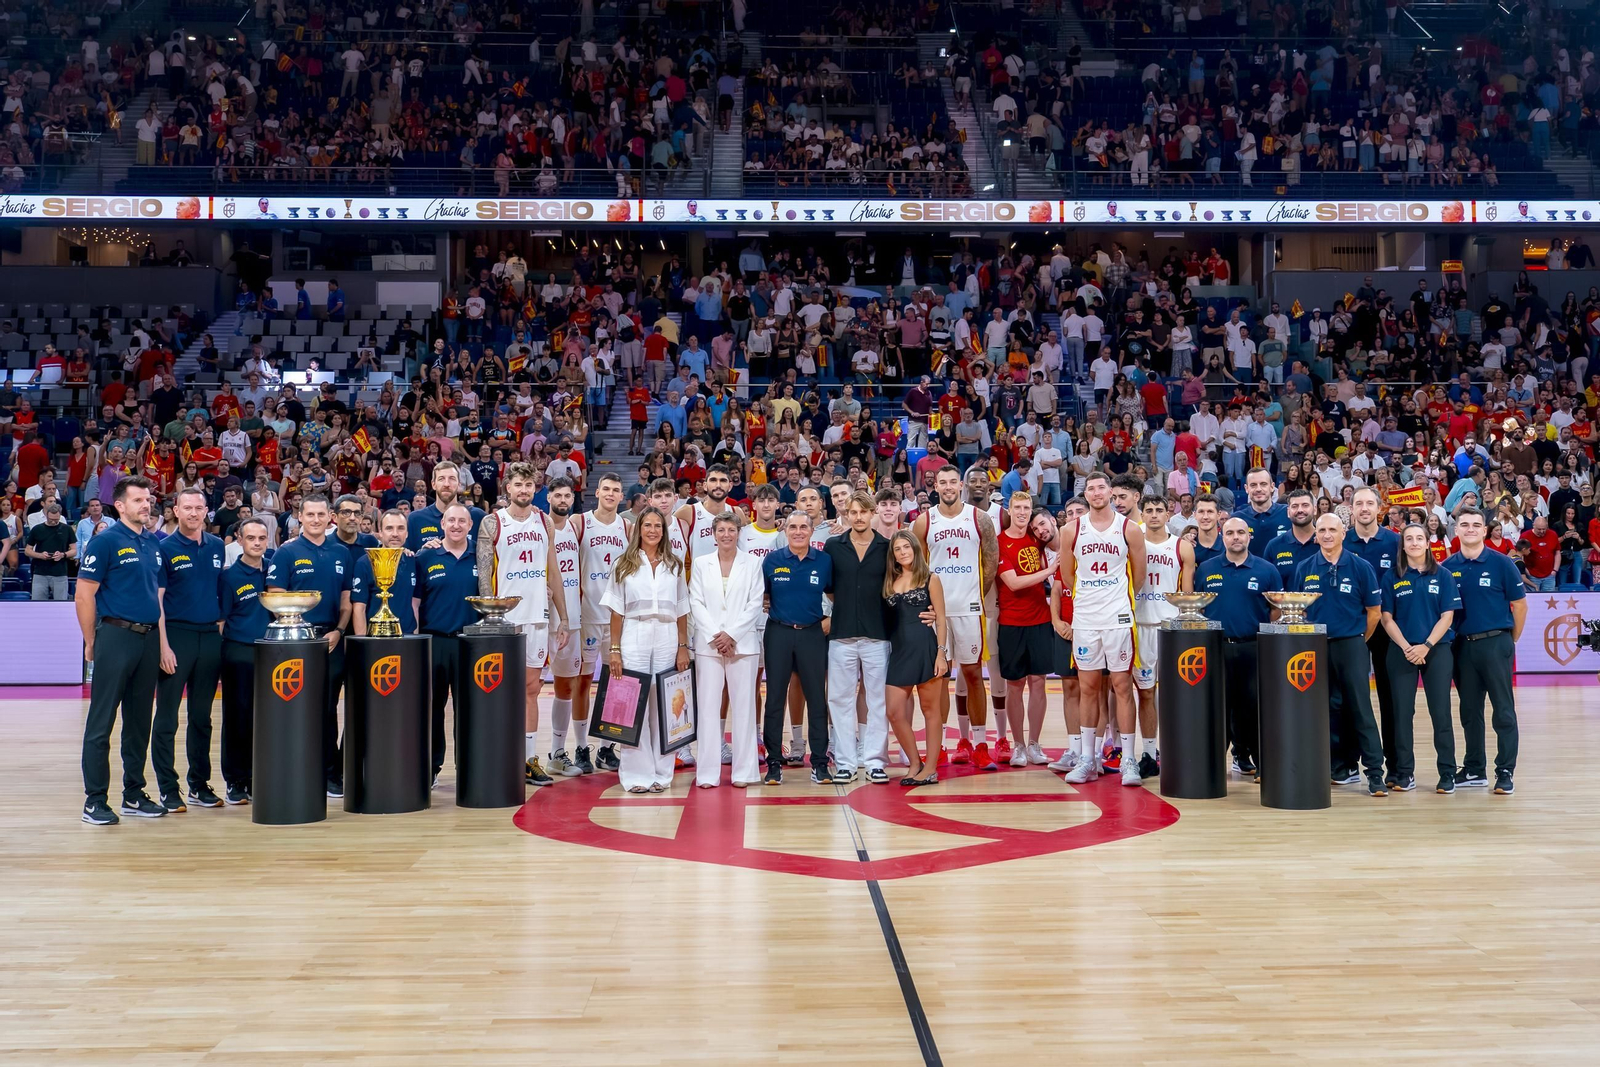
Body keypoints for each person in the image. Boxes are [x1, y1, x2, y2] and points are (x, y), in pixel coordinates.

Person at [75, 476, 170, 824]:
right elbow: (84, 594)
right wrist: (90, 642)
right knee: (101, 721)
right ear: (120, 505)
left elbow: (157, 600)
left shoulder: (152, 544)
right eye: (138, 500)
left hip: (146, 640)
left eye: (148, 500)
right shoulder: (106, 542)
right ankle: (95, 800)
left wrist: (160, 643)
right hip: (115, 636)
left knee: (139, 722)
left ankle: (133, 794)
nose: (146, 505)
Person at [477, 462, 571, 787]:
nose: (524, 490)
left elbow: (554, 572)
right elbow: (485, 577)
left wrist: (564, 617)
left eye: (529, 485)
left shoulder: (545, 522)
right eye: (518, 484)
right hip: (505, 620)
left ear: (536, 488)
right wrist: (490, 618)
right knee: (502, 690)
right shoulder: (493, 523)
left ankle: (529, 759)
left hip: (537, 617)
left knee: (532, 689)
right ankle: (500, 755)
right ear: (507, 488)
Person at [1060, 473, 1148, 784]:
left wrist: (1115, 600)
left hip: (1118, 618)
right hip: (1086, 619)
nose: (1096, 493)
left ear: (1110, 492)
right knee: (1088, 688)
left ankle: (1129, 760)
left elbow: (1138, 578)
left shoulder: (1130, 529)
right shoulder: (1071, 530)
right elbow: (1068, 578)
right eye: (1090, 489)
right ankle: (1088, 758)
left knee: (1123, 687)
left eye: (1101, 487)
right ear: (1084, 495)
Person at [265, 493, 354, 798]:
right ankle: (296, 769)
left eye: (321, 515)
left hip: (331, 642)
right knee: (300, 710)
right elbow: (276, 600)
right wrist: (300, 636)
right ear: (299, 517)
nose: (316, 520)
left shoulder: (341, 553)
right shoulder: (286, 553)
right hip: (297, 645)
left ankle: (329, 774)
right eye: (310, 515)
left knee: (328, 710)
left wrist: (339, 632)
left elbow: (346, 601)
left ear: (330, 517)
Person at [1295, 513, 1387, 796]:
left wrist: (1358, 639)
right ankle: (1335, 766)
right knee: (1325, 709)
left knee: (1360, 708)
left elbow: (1374, 613)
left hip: (1351, 645)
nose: (1326, 535)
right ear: (1315, 534)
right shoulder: (1304, 568)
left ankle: (1374, 773)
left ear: (1343, 533)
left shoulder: (1360, 567)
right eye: (1321, 530)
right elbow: (1298, 610)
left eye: (1332, 529)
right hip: (1316, 646)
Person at [913, 465, 998, 768]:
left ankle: (980, 744)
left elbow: (991, 561)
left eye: (952, 481)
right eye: (942, 482)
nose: (948, 487)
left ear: (961, 485)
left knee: (974, 675)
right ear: (934, 486)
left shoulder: (980, 519)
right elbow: (916, 567)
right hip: (937, 612)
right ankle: (942, 745)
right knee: (939, 677)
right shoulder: (924, 521)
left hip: (969, 609)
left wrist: (976, 594)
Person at [603, 507, 692, 793]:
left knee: (665, 705)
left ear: (664, 531)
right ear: (638, 528)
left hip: (667, 635)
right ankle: (635, 774)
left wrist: (682, 647)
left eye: (658, 526)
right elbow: (616, 611)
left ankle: (661, 774)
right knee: (634, 704)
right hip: (634, 633)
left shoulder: (674, 564)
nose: (653, 530)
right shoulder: (623, 564)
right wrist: (614, 649)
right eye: (648, 525)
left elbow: (681, 611)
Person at [152, 486, 227, 812]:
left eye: (199, 508)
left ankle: (199, 784)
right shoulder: (164, 548)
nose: (194, 513)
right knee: (167, 717)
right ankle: (169, 788)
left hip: (209, 637)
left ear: (206, 511)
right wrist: (163, 646)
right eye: (188, 508)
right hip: (177, 637)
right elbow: (157, 604)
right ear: (176, 511)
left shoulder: (217, 546)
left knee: (202, 717)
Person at [1445, 508, 1526, 795]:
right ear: (1456, 530)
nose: (1469, 529)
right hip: (1462, 648)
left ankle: (1505, 770)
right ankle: (1475, 768)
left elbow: (1520, 606)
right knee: (1469, 711)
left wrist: (1508, 639)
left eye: (1475, 525)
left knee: (1503, 711)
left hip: (1495, 643)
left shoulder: (1502, 564)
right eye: (1464, 524)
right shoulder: (1446, 567)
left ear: (1484, 530)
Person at [1380, 523, 1462, 794]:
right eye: (1409, 539)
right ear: (1402, 545)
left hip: (1436, 650)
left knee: (1441, 713)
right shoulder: (1391, 576)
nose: (1414, 543)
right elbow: (1386, 617)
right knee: (1402, 714)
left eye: (1419, 538)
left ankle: (1447, 773)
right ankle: (1404, 773)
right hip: (1401, 651)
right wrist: (1407, 647)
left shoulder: (1444, 575)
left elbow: (1447, 616)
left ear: (1428, 543)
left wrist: (1426, 645)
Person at [1198, 516, 1281, 778]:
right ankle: (1212, 765)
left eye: (1241, 533)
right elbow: (1197, 607)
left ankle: (1258, 762)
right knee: (1218, 707)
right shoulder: (1206, 569)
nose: (1236, 537)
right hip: (1216, 648)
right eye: (1230, 533)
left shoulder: (1267, 570)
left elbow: (1276, 611)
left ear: (1249, 536)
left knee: (1254, 707)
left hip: (1253, 648)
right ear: (1222, 537)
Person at [689, 514, 764, 787]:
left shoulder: (753, 563)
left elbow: (755, 603)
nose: (726, 535)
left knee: (744, 709)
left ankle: (744, 772)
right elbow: (695, 602)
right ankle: (707, 773)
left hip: (742, 645)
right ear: (713, 533)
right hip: (709, 646)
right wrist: (717, 636)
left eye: (731, 530)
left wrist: (731, 635)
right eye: (721, 530)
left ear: (738, 533)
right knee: (708, 709)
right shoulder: (700, 564)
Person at [413, 503, 485, 788]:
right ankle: (430, 767)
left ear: (470, 526)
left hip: (470, 645)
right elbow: (415, 603)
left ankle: (469, 767)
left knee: (468, 711)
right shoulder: (425, 556)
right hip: (435, 641)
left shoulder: (482, 555)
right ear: (442, 524)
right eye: (451, 520)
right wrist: (417, 642)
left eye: (462, 521)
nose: (456, 525)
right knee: (432, 709)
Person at [824, 491, 892, 784]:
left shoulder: (887, 547)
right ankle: (845, 762)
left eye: (863, 512)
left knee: (878, 700)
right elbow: (828, 588)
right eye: (853, 512)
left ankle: (875, 761)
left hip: (878, 634)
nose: (859, 517)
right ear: (847, 514)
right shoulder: (833, 546)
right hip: (842, 634)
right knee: (839, 700)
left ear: (873, 513)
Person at [761, 510, 834, 786]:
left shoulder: (824, 561)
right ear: (785, 531)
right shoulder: (772, 560)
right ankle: (774, 763)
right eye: (793, 527)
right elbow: (762, 593)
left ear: (812, 531)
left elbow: (834, 592)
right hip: (778, 632)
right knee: (775, 699)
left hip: (812, 634)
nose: (798, 531)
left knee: (817, 698)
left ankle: (819, 763)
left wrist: (831, 617)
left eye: (804, 527)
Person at [995, 492, 1060, 770]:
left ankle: (1034, 744)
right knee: (1014, 685)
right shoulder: (999, 543)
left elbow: (1060, 541)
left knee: (1038, 682)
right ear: (1009, 509)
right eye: (1017, 507)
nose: (1022, 512)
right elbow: (1013, 583)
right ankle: (1018, 746)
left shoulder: (1037, 535)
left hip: (1040, 619)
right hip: (1011, 622)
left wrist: (1054, 526)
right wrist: (1050, 571)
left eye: (1026, 508)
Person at [573, 473, 632, 775]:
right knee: (583, 680)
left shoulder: (628, 528)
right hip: (586, 614)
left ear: (622, 496)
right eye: (606, 489)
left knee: (616, 684)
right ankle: (582, 746)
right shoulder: (579, 523)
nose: (610, 494)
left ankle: (607, 748)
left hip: (617, 617)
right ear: (596, 492)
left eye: (616, 490)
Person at [1131, 493, 1194, 778]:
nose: (1154, 514)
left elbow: (1188, 595)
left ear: (1168, 514)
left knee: (1174, 695)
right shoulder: (1133, 543)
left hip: (1170, 629)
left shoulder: (1182, 547)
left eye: (1159, 510)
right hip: (1140, 624)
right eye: (1149, 510)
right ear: (1141, 513)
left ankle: (1176, 751)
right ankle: (1147, 752)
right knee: (1145, 693)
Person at [1344, 487, 1401, 782]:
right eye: (1358, 503)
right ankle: (1350, 762)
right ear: (1350, 508)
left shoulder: (1395, 542)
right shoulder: (1342, 541)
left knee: (1390, 700)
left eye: (1369, 503)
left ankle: (1395, 767)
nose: (1364, 508)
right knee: (1351, 697)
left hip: (1387, 631)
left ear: (1379, 508)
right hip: (1352, 631)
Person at [884, 530, 947, 786]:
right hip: (898, 651)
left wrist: (941, 654)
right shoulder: (889, 581)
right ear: (894, 555)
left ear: (915, 549)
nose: (903, 552)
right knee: (894, 712)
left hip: (925, 649)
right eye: (898, 549)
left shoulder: (930, 578)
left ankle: (930, 768)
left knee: (931, 711)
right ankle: (915, 763)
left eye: (906, 547)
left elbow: (941, 619)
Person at [218, 517, 271, 805]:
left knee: (266, 718)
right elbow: (221, 621)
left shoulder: (273, 571)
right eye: (251, 538)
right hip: (239, 652)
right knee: (238, 717)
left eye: (262, 538)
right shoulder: (229, 577)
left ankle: (259, 776)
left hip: (272, 654)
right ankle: (236, 780)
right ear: (240, 540)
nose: (257, 543)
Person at [544, 477, 585, 775]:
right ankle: (523, 753)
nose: (562, 499)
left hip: (570, 616)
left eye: (567, 495)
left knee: (565, 685)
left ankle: (557, 753)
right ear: (548, 497)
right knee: (529, 686)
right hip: (542, 617)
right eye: (557, 494)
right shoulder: (538, 525)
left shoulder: (576, 527)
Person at [351, 510, 419, 636]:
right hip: (376, 637)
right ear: (380, 532)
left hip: (407, 637)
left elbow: (414, 604)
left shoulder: (413, 561)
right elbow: (359, 608)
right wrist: (363, 644)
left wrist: (416, 638)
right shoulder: (365, 562)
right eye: (389, 528)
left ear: (407, 533)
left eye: (400, 528)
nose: (395, 534)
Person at [407, 460, 485, 551]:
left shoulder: (478, 517)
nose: (447, 484)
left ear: (459, 484)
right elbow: (408, 558)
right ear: (433, 484)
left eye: (452, 478)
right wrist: (424, 553)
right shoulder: (415, 519)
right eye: (441, 479)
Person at [1263, 488, 1319, 585]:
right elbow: (1266, 584)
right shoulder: (1274, 546)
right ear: (1288, 512)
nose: (1300, 510)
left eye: (1305, 505)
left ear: (1314, 510)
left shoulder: (1326, 543)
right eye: (1295, 506)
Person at [25, 502, 75, 599]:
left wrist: (62, 555)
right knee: (38, 605)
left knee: (61, 605)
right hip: (40, 572)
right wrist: (40, 555)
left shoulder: (67, 529)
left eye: (56, 520)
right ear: (46, 515)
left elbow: (74, 550)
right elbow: (27, 550)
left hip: (60, 573)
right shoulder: (37, 529)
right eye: (51, 519)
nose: (53, 522)